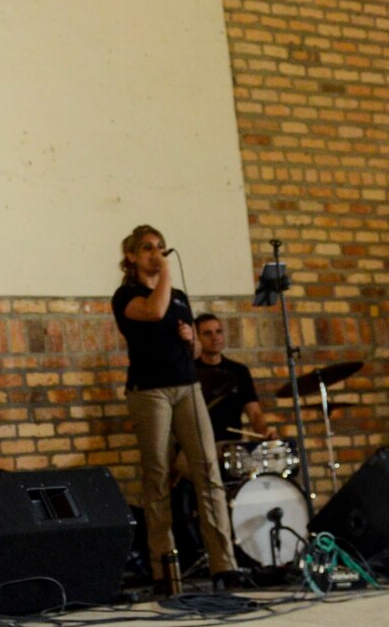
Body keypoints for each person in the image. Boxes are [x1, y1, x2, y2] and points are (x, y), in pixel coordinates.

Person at [111, 225, 240, 592]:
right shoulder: (126, 296)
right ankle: (165, 571)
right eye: (148, 248)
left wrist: (192, 341)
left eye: (162, 248)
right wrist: (165, 271)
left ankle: (223, 566)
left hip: (188, 388)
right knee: (157, 478)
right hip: (149, 393)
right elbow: (153, 312)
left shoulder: (180, 297)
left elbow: (198, 353)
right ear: (133, 257)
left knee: (208, 472)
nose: (158, 253)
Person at [193, 312, 273, 443]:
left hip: (233, 444)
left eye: (218, 332)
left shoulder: (239, 371)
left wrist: (264, 432)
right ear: (197, 339)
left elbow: (254, 413)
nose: (215, 337)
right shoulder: (189, 371)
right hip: (197, 444)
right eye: (208, 333)